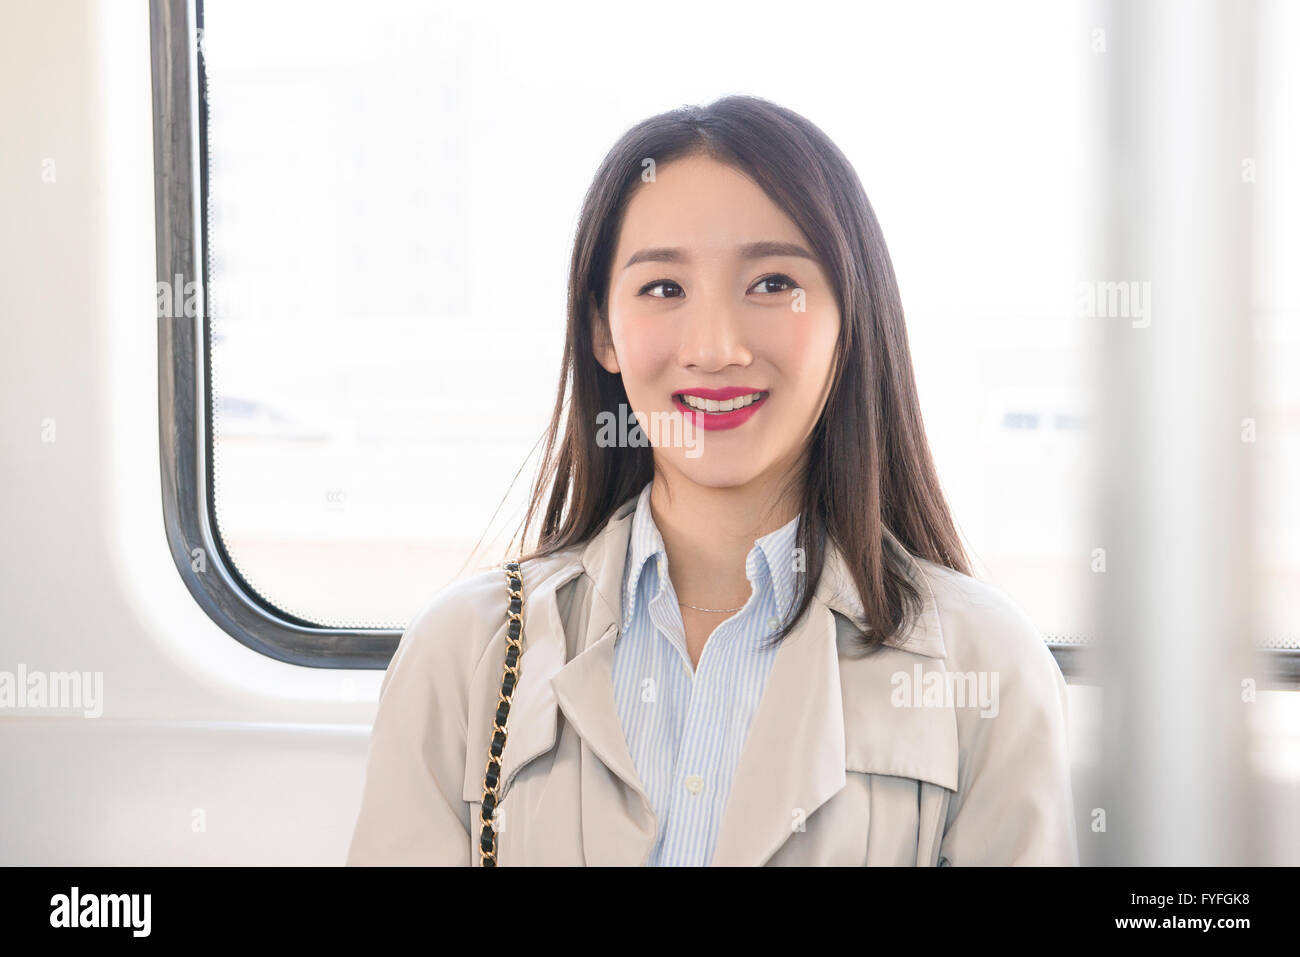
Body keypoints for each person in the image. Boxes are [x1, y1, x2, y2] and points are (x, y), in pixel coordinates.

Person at [346, 95, 1079, 866]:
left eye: (770, 283)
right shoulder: (463, 656)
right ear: (602, 328)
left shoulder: (987, 669)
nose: (716, 346)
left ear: (849, 315)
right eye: (663, 288)